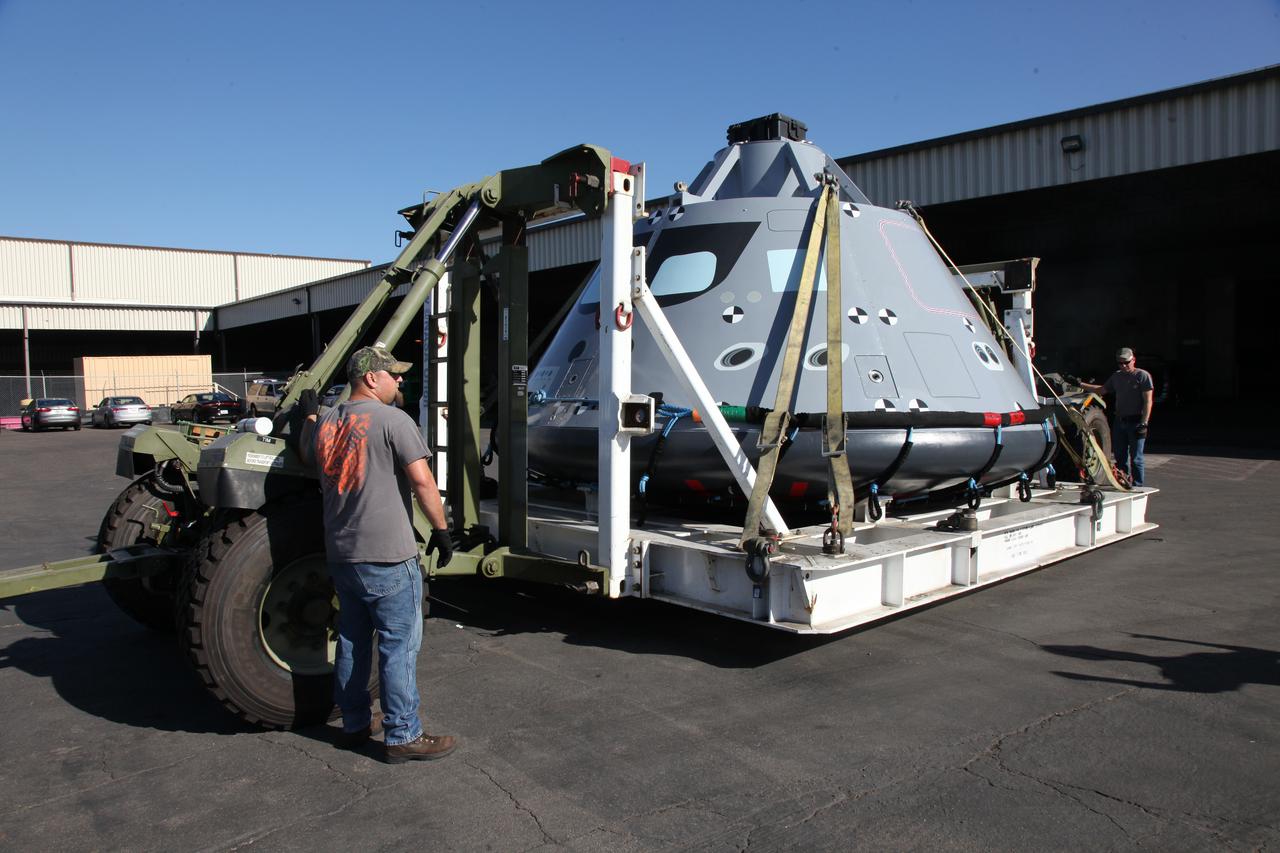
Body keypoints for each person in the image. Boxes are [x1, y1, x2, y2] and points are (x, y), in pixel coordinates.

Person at [299, 345, 457, 763]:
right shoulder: (393, 420)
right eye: (394, 374)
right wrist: (441, 532)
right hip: (388, 555)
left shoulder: (328, 422)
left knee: (352, 640)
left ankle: (354, 723)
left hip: (342, 556)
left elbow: (307, 451)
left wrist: (311, 414)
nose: (400, 380)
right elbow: (423, 483)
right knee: (398, 645)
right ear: (371, 378)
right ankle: (402, 734)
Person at [1079, 346, 1154, 487]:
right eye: (1120, 363)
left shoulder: (1142, 376)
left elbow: (1148, 401)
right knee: (1120, 457)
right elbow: (1102, 390)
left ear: (1134, 360)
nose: (1124, 366)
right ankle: (1123, 481)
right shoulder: (1117, 376)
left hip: (1136, 421)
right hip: (1120, 422)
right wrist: (1080, 384)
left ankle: (1138, 485)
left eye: (1126, 362)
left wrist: (1144, 423)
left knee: (1136, 458)